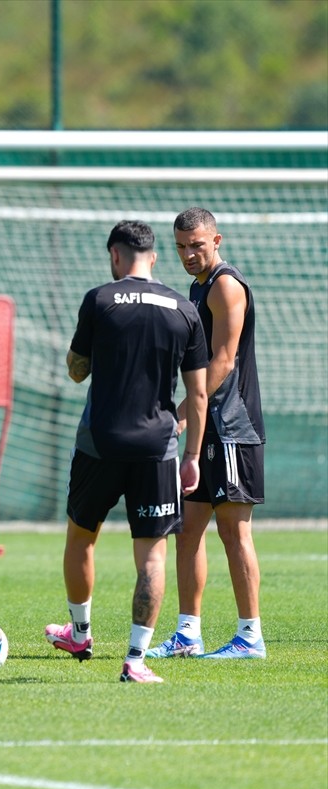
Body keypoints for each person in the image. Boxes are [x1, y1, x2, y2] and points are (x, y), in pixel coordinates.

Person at [44, 220, 208, 683]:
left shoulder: (99, 300)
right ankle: (135, 660)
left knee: (81, 538)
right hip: (158, 448)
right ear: (153, 257)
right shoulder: (183, 309)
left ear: (115, 256)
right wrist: (192, 456)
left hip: (99, 442)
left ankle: (80, 634)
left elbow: (77, 370)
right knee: (152, 556)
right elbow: (198, 395)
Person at [147, 207, 267, 660]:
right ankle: (187, 633)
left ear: (216, 241)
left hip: (233, 427)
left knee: (233, 532)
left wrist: (181, 413)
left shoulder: (225, 286)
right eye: (180, 247)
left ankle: (250, 636)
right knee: (188, 529)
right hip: (208, 427)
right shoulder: (197, 287)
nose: (188, 254)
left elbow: (224, 361)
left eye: (196, 245)